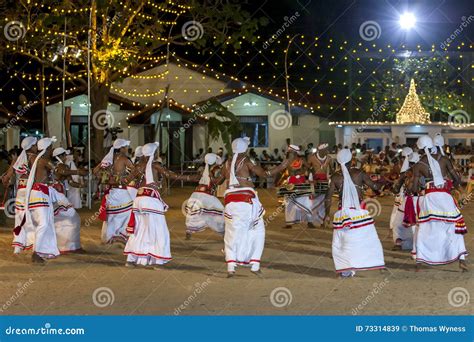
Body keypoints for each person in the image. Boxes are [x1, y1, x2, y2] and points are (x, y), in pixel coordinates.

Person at [214, 137, 294, 277]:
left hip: (230, 202)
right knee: (257, 231)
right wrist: (283, 165)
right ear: (244, 149)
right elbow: (264, 174)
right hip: (246, 201)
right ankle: (255, 265)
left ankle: (231, 266)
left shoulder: (226, 163)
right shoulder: (246, 161)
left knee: (232, 233)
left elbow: (217, 180)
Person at [123, 142, 197, 267]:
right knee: (159, 230)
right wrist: (191, 178)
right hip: (150, 200)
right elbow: (171, 175)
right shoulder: (155, 165)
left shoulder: (138, 166)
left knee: (140, 229)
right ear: (154, 153)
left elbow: (126, 180)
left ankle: (131, 259)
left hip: (139, 200)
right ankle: (157, 261)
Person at [323, 149, 385, 277]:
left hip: (343, 212)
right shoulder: (359, 173)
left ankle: (346, 269)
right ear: (351, 160)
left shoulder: (335, 176)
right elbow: (374, 187)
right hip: (359, 211)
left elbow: (328, 197)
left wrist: (326, 215)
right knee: (366, 238)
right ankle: (368, 263)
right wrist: (381, 184)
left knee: (342, 242)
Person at [410, 135, 468, 271]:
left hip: (429, 198)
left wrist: (419, 187)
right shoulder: (445, 159)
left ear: (420, 149)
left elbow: (413, 188)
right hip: (445, 197)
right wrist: (448, 185)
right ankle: (461, 259)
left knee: (425, 229)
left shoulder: (418, 165)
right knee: (453, 227)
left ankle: (419, 261)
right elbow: (457, 179)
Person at [15, 137, 60, 263]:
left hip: (35, 193)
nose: (52, 150)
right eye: (51, 148)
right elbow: (58, 170)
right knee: (44, 223)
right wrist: (75, 171)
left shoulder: (36, 160)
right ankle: (37, 251)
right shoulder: (44, 160)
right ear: (47, 149)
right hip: (40, 194)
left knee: (42, 223)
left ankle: (38, 249)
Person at [93, 139, 134, 245]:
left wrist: (105, 179)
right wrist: (127, 179)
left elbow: (95, 171)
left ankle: (110, 236)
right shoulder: (124, 159)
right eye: (125, 147)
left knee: (113, 215)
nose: (126, 149)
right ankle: (121, 234)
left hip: (112, 191)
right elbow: (136, 171)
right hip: (121, 191)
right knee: (130, 210)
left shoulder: (108, 159)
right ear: (121, 148)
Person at [3, 137, 38, 254]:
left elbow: (7, 177)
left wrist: (6, 181)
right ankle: (32, 244)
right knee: (32, 218)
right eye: (35, 144)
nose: (36, 146)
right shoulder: (35, 159)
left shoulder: (17, 160)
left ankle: (18, 246)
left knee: (19, 218)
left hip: (20, 192)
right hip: (30, 192)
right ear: (31, 146)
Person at [51, 147, 87, 253]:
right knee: (73, 218)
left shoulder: (61, 166)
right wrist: (78, 171)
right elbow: (62, 171)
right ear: (60, 156)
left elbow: (70, 182)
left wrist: (81, 185)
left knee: (59, 220)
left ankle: (61, 246)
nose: (66, 157)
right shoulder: (58, 166)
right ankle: (71, 246)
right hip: (56, 195)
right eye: (64, 155)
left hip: (57, 194)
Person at [185, 153, 224, 240]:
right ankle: (223, 232)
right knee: (219, 213)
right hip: (206, 195)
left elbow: (198, 178)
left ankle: (189, 231)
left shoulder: (203, 169)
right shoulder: (215, 169)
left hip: (196, 194)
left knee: (195, 214)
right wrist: (224, 176)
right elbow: (217, 182)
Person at [283, 145, 316, 229]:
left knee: (306, 202)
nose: (289, 153)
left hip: (301, 182)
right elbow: (282, 171)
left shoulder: (302, 160)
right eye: (289, 152)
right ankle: (289, 223)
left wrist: (306, 174)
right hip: (290, 183)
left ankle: (310, 222)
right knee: (289, 203)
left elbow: (311, 168)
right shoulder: (287, 161)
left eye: (290, 151)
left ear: (294, 152)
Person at [390, 147, 415, 250]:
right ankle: (401, 243)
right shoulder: (407, 172)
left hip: (410, 201)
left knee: (405, 223)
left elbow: (395, 189)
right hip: (407, 200)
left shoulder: (411, 173)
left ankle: (403, 243)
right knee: (399, 222)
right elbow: (396, 189)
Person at [307, 143, 334, 227]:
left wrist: (333, 180)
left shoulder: (329, 158)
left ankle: (322, 221)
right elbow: (308, 169)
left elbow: (332, 170)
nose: (328, 151)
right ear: (321, 150)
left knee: (324, 202)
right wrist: (311, 179)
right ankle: (310, 221)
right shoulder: (312, 158)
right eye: (326, 149)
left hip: (325, 182)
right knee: (313, 202)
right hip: (314, 182)